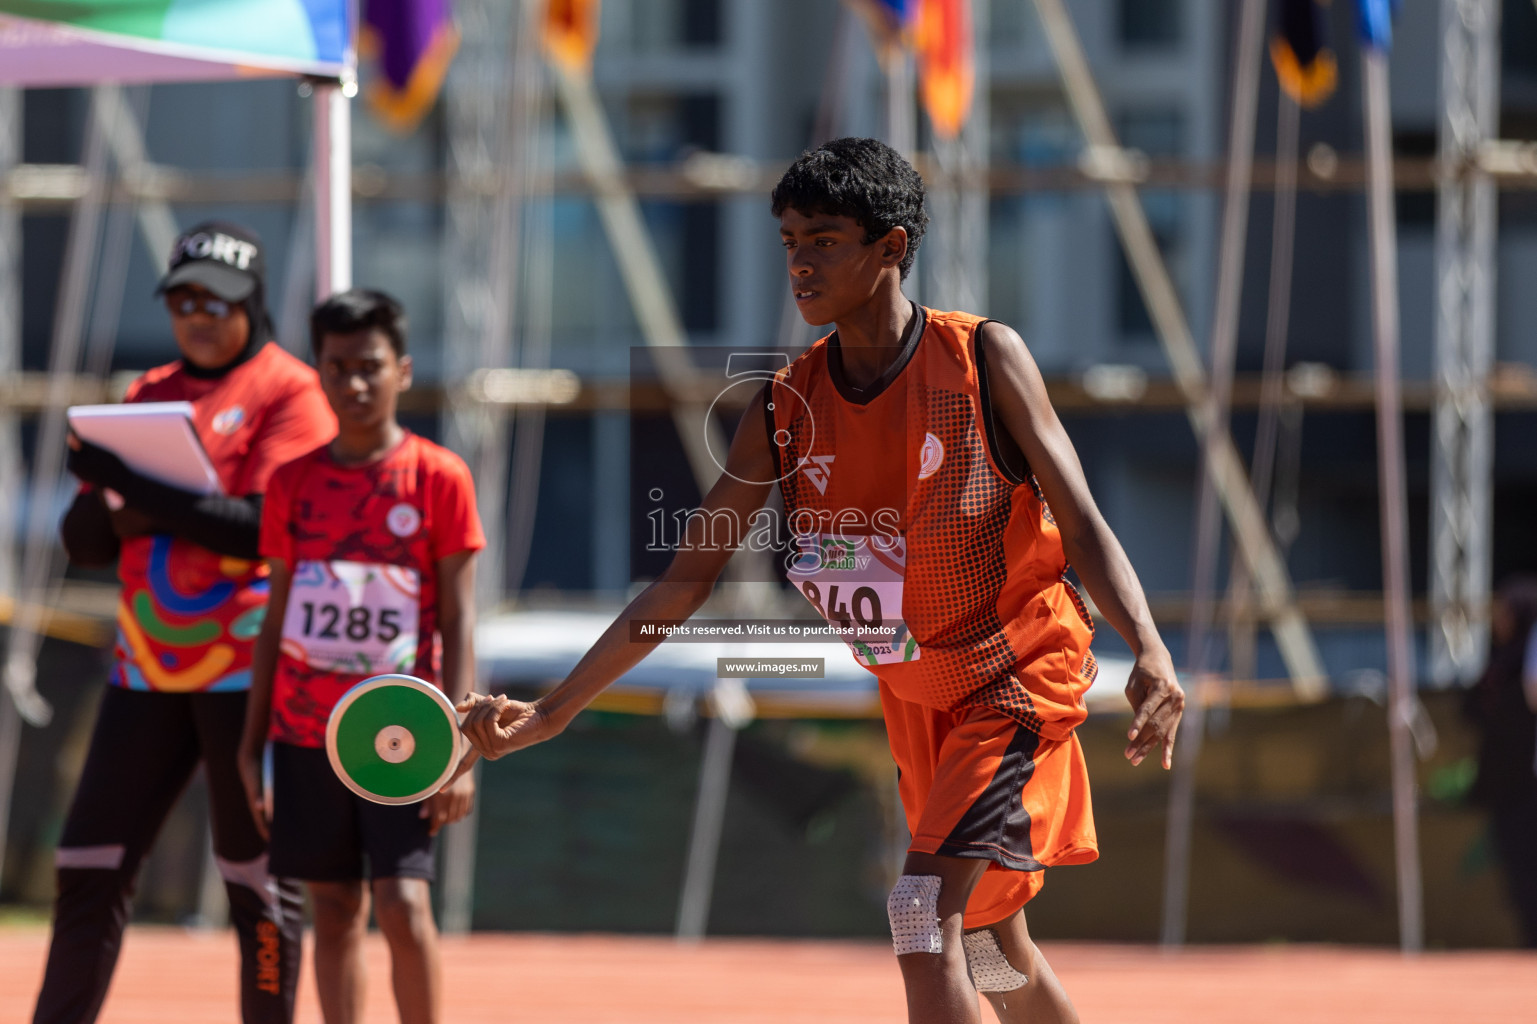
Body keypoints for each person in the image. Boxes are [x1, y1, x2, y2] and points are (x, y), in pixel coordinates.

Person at [453, 137, 1183, 1024]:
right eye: (790, 240)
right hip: (918, 698)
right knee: (990, 950)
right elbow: (681, 585)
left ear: (892, 248)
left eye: (824, 240)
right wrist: (557, 710)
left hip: (1014, 683)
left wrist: (1146, 643)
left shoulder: (982, 360)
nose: (799, 262)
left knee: (920, 915)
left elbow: (1081, 522)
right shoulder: (781, 406)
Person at [36, 221, 336, 1024]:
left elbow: (259, 529)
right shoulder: (149, 392)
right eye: (182, 301)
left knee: (258, 882)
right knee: (87, 865)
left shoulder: (291, 390)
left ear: (254, 302)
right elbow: (88, 545)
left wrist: (139, 491)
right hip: (146, 667)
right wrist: (97, 486)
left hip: (250, 674)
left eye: (218, 301)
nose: (199, 316)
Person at [238, 289, 482, 1024]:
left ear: (402, 370)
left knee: (403, 903)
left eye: (369, 366)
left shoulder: (439, 477)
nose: (353, 383)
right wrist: (253, 749)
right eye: (338, 367)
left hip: (404, 732)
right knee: (335, 908)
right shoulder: (291, 482)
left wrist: (463, 745)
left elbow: (461, 615)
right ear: (319, 370)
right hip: (305, 731)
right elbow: (274, 616)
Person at [1465, 575, 1537, 946]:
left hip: (1525, 782)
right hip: (1510, 785)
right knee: (1519, 868)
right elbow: (1471, 709)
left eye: (1504, 611)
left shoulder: (1524, 658)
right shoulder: (1501, 661)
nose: (1497, 619)